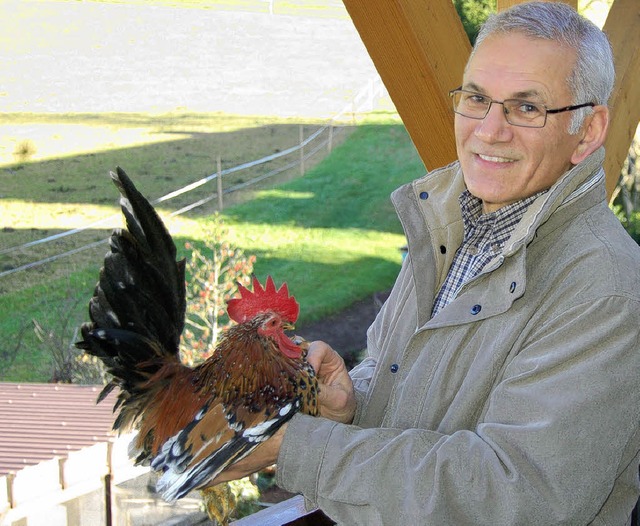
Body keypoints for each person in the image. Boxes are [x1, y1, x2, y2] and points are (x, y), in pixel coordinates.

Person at [215, 2, 640, 524]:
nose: (489, 130)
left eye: (527, 108)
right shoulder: (450, 227)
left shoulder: (605, 291)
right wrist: (350, 404)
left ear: (590, 129)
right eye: (478, 99)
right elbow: (415, 396)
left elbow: (516, 495)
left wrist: (298, 445)